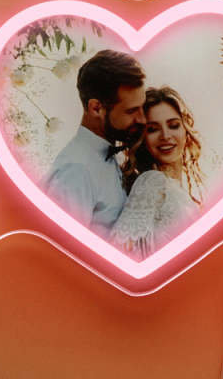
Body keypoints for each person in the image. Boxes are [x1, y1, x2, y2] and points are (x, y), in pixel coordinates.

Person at [45, 50, 146, 236]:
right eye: (131, 111)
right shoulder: (76, 170)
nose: (142, 119)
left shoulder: (105, 156)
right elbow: (63, 247)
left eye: (142, 108)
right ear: (96, 108)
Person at [111, 87, 204, 258]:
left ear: (185, 130)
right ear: (142, 139)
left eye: (173, 125)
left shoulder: (180, 192)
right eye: (153, 129)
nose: (165, 135)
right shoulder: (151, 181)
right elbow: (118, 252)